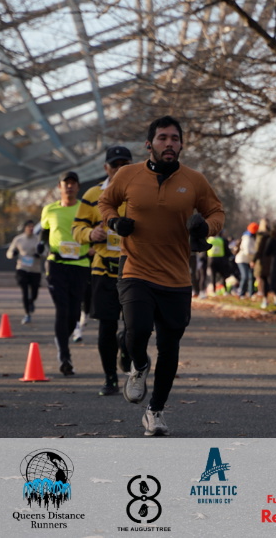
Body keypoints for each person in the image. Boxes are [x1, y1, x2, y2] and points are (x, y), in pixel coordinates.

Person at [98, 115, 225, 437]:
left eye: (174, 139)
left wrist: (205, 228)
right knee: (137, 330)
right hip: (136, 268)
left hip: (176, 276)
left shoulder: (194, 180)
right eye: (162, 138)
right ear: (149, 144)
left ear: (181, 145)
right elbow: (106, 201)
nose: (169, 143)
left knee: (169, 348)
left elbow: (216, 212)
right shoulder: (128, 175)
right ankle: (139, 365)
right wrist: (114, 222)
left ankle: (155, 411)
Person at [73, 145, 134, 396]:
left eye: (124, 164)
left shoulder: (142, 193)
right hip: (103, 270)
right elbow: (77, 229)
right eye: (115, 164)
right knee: (106, 326)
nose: (119, 169)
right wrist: (90, 234)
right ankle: (110, 378)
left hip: (134, 269)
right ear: (106, 168)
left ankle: (126, 349)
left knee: (135, 327)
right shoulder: (92, 194)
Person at [40, 171, 90, 377]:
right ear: (59, 187)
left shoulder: (85, 209)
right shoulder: (49, 209)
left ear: (78, 187)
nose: (69, 186)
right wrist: (41, 245)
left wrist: (94, 246)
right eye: (65, 183)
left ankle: (61, 339)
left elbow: (93, 231)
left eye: (73, 183)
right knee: (62, 309)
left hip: (80, 264)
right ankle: (64, 355)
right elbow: (44, 232)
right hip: (57, 264)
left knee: (74, 313)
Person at [6, 220, 44, 323]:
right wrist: (13, 254)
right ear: (25, 228)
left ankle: (31, 301)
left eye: (32, 227)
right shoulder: (18, 239)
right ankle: (27, 313)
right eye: (29, 227)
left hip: (35, 269)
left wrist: (40, 254)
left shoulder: (38, 240)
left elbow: (46, 252)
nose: (31, 229)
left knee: (34, 292)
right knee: (25, 291)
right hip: (22, 268)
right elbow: (9, 253)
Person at [234, 222, 258, 297]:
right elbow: (247, 251)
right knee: (245, 276)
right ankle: (241, 293)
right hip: (242, 260)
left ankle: (251, 293)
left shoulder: (252, 237)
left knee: (251, 277)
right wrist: (256, 253)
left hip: (249, 260)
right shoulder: (247, 238)